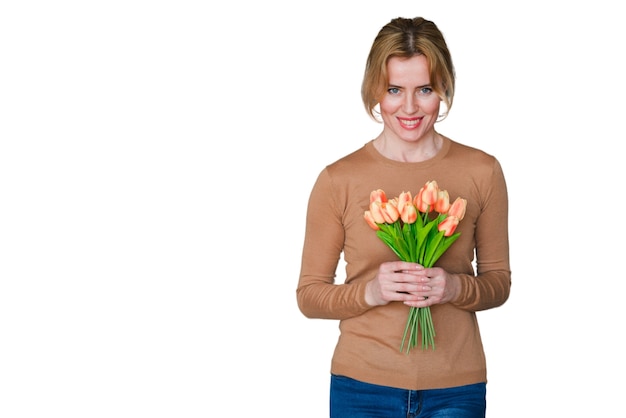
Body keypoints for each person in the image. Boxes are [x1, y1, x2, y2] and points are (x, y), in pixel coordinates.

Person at [296, 17, 511, 417]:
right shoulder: (338, 180)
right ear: (375, 91)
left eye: (424, 90)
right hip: (361, 387)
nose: (409, 108)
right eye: (394, 90)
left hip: (456, 386)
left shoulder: (482, 172)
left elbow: (499, 283)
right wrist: (370, 293)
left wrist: (453, 289)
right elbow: (309, 295)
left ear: (442, 89)